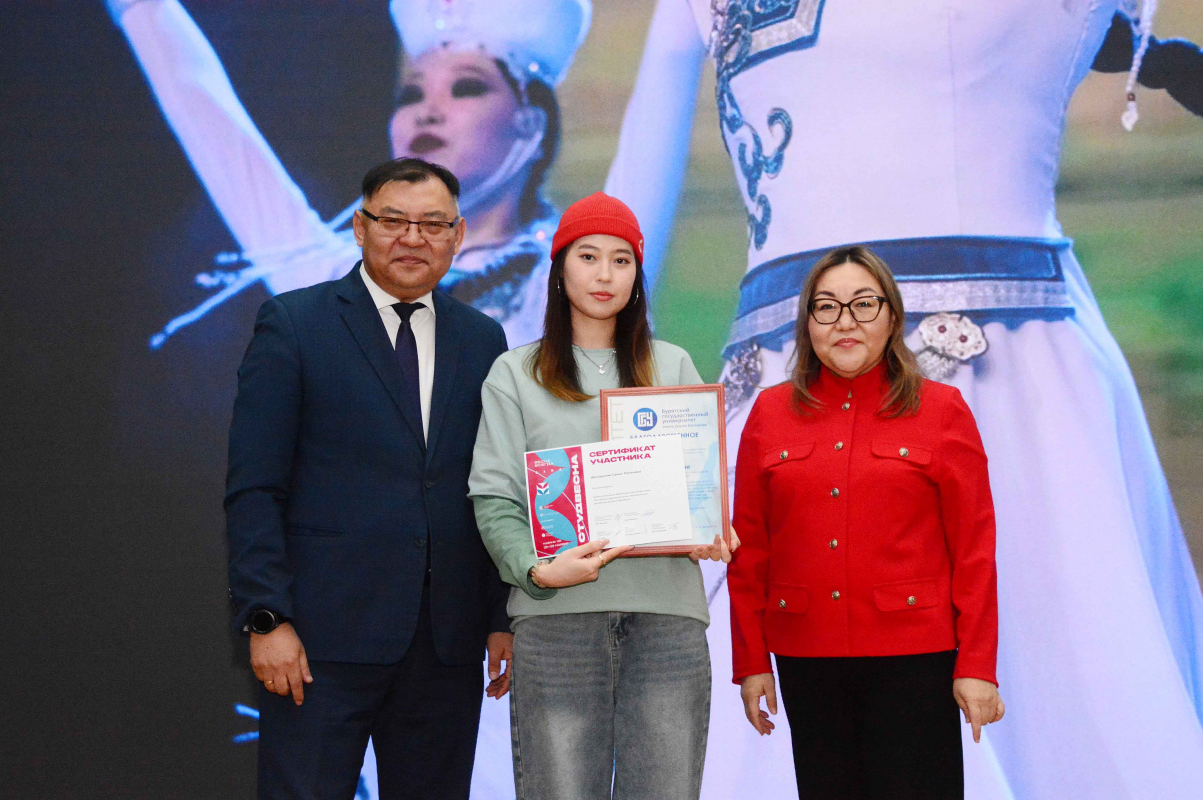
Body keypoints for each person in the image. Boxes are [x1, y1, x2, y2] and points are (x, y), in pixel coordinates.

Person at [605, 2, 1203, 796]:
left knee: (1035, 698)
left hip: (997, 382)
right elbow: (631, 195)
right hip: (775, 393)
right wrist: (583, 380)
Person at [225, 158, 510, 799]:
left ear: (458, 235)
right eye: (393, 221)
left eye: (433, 224)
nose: (413, 238)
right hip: (317, 644)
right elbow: (255, 489)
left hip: (445, 647)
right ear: (360, 227)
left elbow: (490, 487)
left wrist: (501, 616)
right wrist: (267, 618)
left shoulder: (482, 339)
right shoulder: (295, 324)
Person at [106, 0, 590, 349]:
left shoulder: (576, 285)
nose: (426, 112)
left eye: (466, 88)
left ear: (531, 126)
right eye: (411, 95)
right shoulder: (340, 282)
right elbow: (210, 121)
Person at [467, 192, 738, 799]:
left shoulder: (673, 364)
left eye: (622, 260)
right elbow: (494, 497)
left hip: (666, 622)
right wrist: (537, 570)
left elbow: (700, 484)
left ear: (638, 275)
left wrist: (713, 525)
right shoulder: (515, 373)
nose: (605, 274)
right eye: (588, 256)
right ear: (560, 268)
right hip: (555, 623)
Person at [729, 246, 1002, 800]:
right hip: (806, 661)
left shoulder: (941, 409)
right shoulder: (769, 414)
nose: (845, 322)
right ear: (807, 323)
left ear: (893, 317)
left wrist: (977, 665)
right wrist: (752, 660)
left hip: (917, 661)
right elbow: (749, 548)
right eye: (826, 307)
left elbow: (974, 548)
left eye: (863, 304)